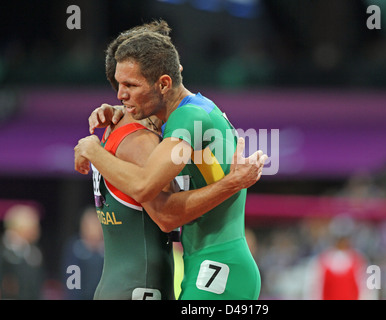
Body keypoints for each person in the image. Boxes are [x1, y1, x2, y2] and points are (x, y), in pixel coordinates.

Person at [74, 20, 266, 300]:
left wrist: (93, 150)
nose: (120, 94)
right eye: (118, 84)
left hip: (220, 267)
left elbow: (144, 188)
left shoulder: (187, 119)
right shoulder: (189, 112)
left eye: (130, 85)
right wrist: (123, 110)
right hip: (207, 264)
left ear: (164, 83)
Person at [0, 204, 45, 299]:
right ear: (20, 228)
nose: (36, 231)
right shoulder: (4, 251)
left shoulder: (34, 252)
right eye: (33, 227)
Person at [61, 206, 104, 300]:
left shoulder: (107, 250)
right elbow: (72, 284)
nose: (93, 228)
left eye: (96, 224)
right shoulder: (75, 249)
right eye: (89, 225)